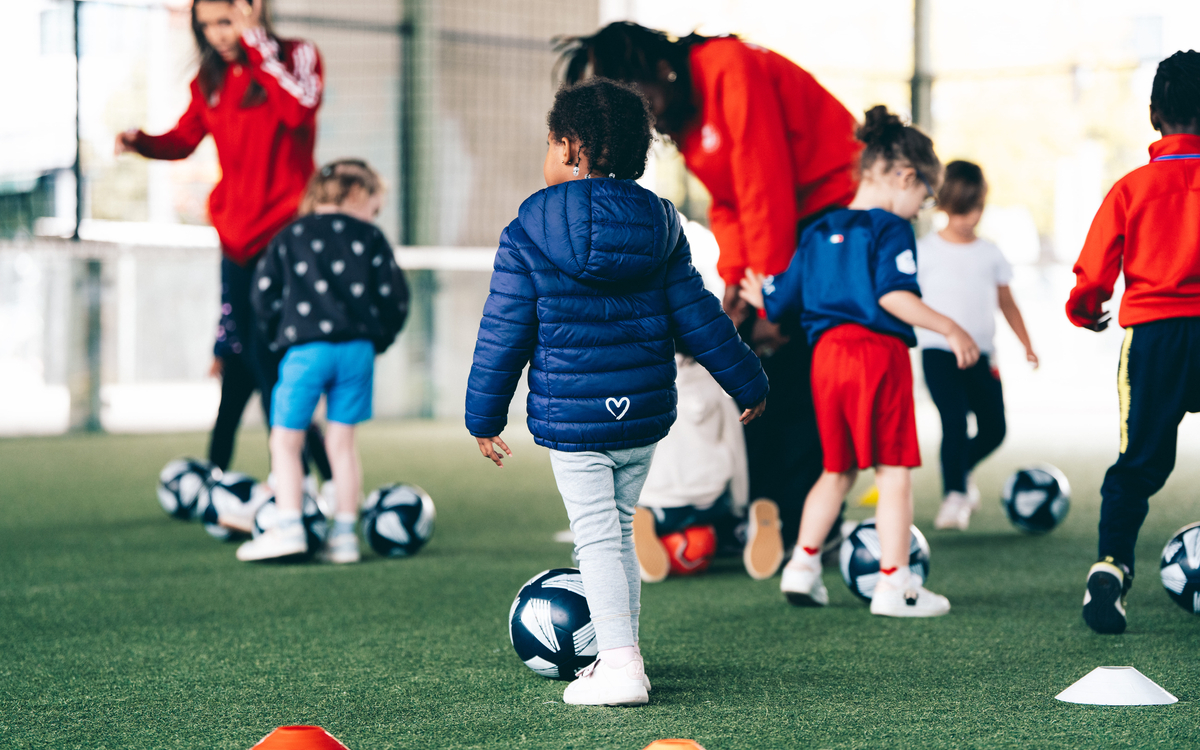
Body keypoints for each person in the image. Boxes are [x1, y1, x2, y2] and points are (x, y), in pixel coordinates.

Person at [465, 78, 768, 705]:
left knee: (597, 537)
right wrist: (746, 377)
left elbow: (503, 331)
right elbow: (700, 316)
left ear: (572, 149)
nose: (546, 156)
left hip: (574, 420)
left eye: (550, 144)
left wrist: (483, 415)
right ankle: (620, 654)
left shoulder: (528, 230)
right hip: (643, 416)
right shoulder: (660, 223)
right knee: (618, 532)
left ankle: (622, 666)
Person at [559, 24, 862, 575]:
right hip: (790, 227)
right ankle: (757, 512)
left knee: (791, 365)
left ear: (654, 69)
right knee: (755, 364)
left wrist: (770, 301)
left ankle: (805, 524)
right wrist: (734, 285)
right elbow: (729, 204)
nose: (635, 114)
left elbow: (764, 186)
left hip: (834, 210)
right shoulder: (688, 120)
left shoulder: (729, 68)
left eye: (633, 96)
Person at [740, 106, 979, 617]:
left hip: (825, 360)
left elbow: (780, 304)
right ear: (904, 177)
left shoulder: (818, 230)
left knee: (836, 469)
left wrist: (760, 293)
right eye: (924, 199)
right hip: (875, 355)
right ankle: (895, 586)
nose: (919, 210)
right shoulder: (890, 229)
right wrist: (949, 327)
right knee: (893, 473)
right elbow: (894, 296)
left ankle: (801, 566)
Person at [114, 0, 331, 483]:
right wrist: (141, 141)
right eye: (207, 25)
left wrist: (256, 46)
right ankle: (231, 474)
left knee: (268, 355)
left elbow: (299, 111)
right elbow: (183, 140)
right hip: (235, 238)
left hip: (286, 234)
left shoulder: (297, 55)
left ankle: (308, 476)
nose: (217, 34)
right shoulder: (208, 82)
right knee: (242, 354)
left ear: (253, 11)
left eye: (226, 21)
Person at [1066, 50, 1200, 635]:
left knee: (1138, 464)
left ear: (1153, 115)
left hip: (1153, 339)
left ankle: (1110, 569)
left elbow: (1094, 269)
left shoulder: (1132, 187)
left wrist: (1084, 306)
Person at [237, 159, 409, 563]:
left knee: (286, 439)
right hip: (358, 352)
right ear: (355, 195)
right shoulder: (371, 237)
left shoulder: (290, 235)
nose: (374, 215)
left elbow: (262, 295)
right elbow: (396, 298)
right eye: (374, 205)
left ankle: (289, 526)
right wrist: (377, 339)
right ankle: (345, 538)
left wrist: (281, 335)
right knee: (342, 445)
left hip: (305, 351)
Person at [917, 161, 1038, 531]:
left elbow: (1007, 302)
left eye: (976, 209)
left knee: (995, 429)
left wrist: (1027, 345)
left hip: (983, 355)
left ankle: (961, 466)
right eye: (961, 210)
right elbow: (905, 300)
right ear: (944, 205)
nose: (969, 218)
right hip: (938, 352)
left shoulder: (990, 253)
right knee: (953, 422)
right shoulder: (924, 251)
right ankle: (954, 495)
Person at [632, 354, 750, 583]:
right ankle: (748, 530)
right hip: (711, 503)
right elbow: (735, 446)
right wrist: (739, 504)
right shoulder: (715, 381)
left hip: (660, 503)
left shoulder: (638, 382)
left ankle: (637, 525)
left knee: (610, 530)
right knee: (729, 519)